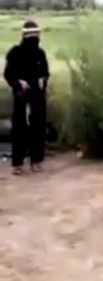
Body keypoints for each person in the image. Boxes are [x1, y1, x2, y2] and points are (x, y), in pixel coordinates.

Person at [3, 20, 49, 175]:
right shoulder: (15, 53)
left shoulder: (40, 54)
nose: (34, 38)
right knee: (19, 128)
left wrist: (43, 79)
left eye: (36, 35)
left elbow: (45, 72)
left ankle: (36, 161)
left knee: (38, 127)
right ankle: (18, 163)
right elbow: (8, 74)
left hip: (37, 95)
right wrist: (18, 82)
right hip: (21, 95)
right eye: (31, 35)